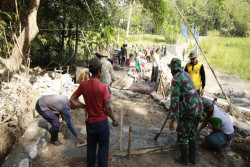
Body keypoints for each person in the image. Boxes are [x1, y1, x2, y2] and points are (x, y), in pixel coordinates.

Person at [70, 57, 118, 167]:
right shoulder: (103, 87)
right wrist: (114, 120)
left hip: (90, 124)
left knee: (90, 150)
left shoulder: (83, 85)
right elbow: (107, 107)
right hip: (102, 124)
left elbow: (72, 99)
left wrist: (84, 106)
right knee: (103, 150)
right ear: (99, 71)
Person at [168, 58, 203, 165]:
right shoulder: (186, 74)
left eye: (171, 69)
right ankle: (193, 159)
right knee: (192, 133)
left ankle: (184, 159)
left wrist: (174, 120)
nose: (170, 71)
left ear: (174, 69)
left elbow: (175, 102)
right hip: (198, 107)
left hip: (189, 110)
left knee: (183, 133)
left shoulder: (175, 79)